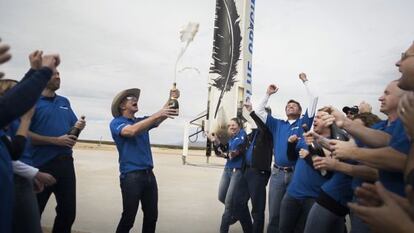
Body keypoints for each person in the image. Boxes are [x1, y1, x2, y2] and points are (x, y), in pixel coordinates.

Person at [0, 47, 58, 233]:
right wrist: (43, 71)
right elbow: (13, 102)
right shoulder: (12, 118)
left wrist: (34, 71)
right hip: (16, 180)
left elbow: (13, 151)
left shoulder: (8, 122)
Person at [255, 73, 318, 233]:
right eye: (288, 105)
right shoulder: (277, 124)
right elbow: (258, 111)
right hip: (277, 174)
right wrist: (268, 94)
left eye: (294, 105)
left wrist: (305, 81)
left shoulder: (303, 122)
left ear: (300, 111)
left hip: (296, 174)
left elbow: (314, 98)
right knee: (275, 215)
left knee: (295, 214)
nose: (290, 106)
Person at [110, 87, 178, 233]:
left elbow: (160, 117)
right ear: (122, 106)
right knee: (129, 218)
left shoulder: (142, 122)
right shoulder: (116, 122)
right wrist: (156, 115)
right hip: (131, 176)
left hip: (149, 175)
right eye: (130, 98)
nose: (135, 100)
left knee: (151, 216)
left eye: (136, 98)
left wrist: (172, 99)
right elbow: (131, 131)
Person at [29, 66, 86, 233]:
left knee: (68, 213)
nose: (58, 77)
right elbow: (22, 133)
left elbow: (70, 131)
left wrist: (77, 127)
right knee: (34, 213)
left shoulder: (64, 102)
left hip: (66, 163)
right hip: (40, 164)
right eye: (54, 74)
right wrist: (55, 141)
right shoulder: (31, 102)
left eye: (59, 74)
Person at [208, 117, 252, 233]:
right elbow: (220, 152)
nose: (231, 127)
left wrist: (225, 153)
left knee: (229, 203)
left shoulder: (243, 136)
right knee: (221, 196)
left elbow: (234, 154)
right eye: (229, 125)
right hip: (227, 170)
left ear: (239, 126)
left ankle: (224, 229)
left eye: (234, 125)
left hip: (237, 172)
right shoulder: (232, 138)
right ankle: (239, 214)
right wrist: (215, 141)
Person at [243, 101, 273, 233]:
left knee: (257, 209)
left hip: (257, 174)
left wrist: (252, 112)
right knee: (237, 202)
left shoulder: (268, 132)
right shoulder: (252, 134)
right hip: (246, 172)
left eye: (262, 115)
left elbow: (263, 125)